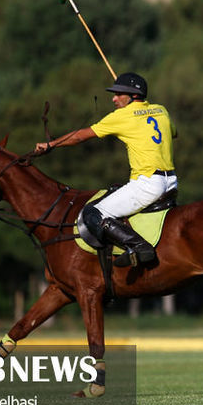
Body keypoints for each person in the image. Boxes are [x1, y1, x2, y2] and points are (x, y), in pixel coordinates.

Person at [34, 72, 177, 267]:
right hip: (171, 182)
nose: (114, 98)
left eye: (119, 93)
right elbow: (173, 133)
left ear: (133, 95)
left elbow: (81, 136)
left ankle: (138, 247)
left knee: (93, 213)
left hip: (148, 184)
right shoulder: (161, 110)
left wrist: (52, 144)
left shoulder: (121, 116)